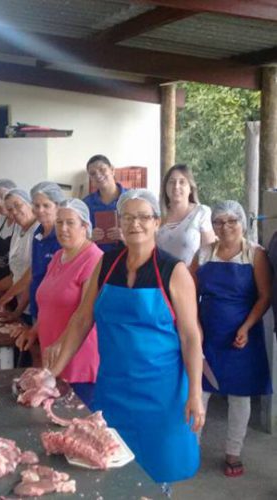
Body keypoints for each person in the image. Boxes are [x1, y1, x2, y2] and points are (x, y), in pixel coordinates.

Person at [45, 189, 204, 484]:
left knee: (158, 473)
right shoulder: (106, 265)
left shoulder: (174, 271)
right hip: (113, 389)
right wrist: (52, 373)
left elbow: (191, 337)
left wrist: (195, 392)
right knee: (112, 471)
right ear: (119, 222)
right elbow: (82, 319)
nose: (135, 224)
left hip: (162, 394)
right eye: (128, 217)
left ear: (157, 222)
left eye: (144, 217)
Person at [191, 201, 272, 478]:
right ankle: (192, 447)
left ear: (242, 223)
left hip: (243, 335)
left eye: (231, 221)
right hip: (208, 333)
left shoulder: (255, 255)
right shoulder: (202, 254)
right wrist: (196, 329)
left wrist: (247, 327)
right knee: (199, 391)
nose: (225, 227)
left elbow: (264, 296)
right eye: (218, 222)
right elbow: (188, 293)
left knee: (239, 396)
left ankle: (233, 452)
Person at [16, 198, 101, 393]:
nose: (62, 229)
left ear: (85, 226)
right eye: (59, 222)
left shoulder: (93, 259)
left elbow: (84, 313)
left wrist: (61, 343)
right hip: (52, 359)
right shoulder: (58, 257)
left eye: (70, 223)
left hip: (79, 360)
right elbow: (48, 304)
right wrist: (34, 330)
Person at [0, 182, 64, 321]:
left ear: (57, 206)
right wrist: (17, 312)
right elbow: (33, 278)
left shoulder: (62, 238)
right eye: (36, 205)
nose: (40, 210)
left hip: (55, 315)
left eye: (46, 205)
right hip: (36, 310)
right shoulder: (38, 235)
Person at [157, 164, 215, 266]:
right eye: (171, 182)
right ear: (165, 187)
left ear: (190, 188)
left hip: (191, 278)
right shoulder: (156, 215)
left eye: (182, 182)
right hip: (160, 278)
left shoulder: (201, 213)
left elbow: (208, 254)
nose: (176, 186)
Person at [83, 154, 126, 252]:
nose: (98, 175)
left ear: (112, 170)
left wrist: (125, 236)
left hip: (127, 256)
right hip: (97, 258)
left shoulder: (131, 199)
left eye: (102, 169)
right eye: (93, 174)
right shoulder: (86, 204)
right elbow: (79, 237)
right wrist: (89, 238)